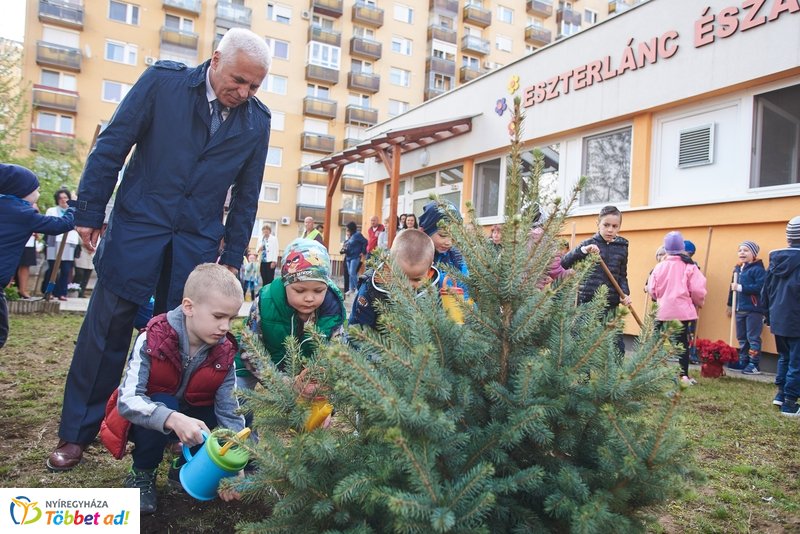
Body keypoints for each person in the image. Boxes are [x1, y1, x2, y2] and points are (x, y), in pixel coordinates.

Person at [48, 28, 273, 471]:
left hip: (195, 247)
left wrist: (228, 260)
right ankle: (77, 433)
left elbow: (247, 194)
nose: (243, 92)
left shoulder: (257, 121)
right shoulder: (163, 83)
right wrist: (89, 210)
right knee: (105, 336)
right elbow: (112, 145)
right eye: (238, 80)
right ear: (214, 60)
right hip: (137, 231)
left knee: (180, 348)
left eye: (254, 86)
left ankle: (167, 436)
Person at [99, 263, 245, 513]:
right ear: (189, 307)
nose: (225, 327)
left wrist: (233, 466)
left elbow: (230, 410)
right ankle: (142, 472)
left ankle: (186, 466)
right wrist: (172, 419)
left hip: (197, 416)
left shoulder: (225, 351)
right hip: (150, 419)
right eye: (219, 317)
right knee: (165, 403)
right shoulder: (153, 338)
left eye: (231, 318)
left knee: (241, 414)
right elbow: (128, 400)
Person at [236, 239, 345, 392]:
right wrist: (282, 382)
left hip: (308, 375)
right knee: (238, 398)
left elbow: (337, 352)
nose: (309, 298)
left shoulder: (332, 309)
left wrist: (320, 379)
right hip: (260, 366)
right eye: (300, 291)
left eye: (318, 291)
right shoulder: (266, 302)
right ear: (285, 283)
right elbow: (249, 349)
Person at [0, 164, 76, 349]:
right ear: (23, 191)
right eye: (37, 189)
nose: (39, 193)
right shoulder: (23, 214)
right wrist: (74, 205)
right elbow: (62, 224)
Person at [561, 205, 631, 356]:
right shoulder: (589, 243)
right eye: (606, 225)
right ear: (598, 224)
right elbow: (565, 263)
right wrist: (583, 251)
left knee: (616, 345)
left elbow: (622, 275)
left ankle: (616, 378)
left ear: (619, 227)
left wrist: (624, 293)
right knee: (582, 342)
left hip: (611, 302)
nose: (610, 230)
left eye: (614, 226)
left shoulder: (622, 246)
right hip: (588, 301)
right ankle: (582, 379)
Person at [647, 231, 707, 385]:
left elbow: (652, 289)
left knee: (656, 341)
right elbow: (698, 289)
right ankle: (683, 376)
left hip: (662, 311)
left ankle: (648, 372)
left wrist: (658, 298)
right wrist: (698, 302)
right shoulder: (689, 266)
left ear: (665, 249)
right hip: (682, 312)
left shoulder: (659, 266)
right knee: (681, 344)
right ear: (682, 248)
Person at [350, 229, 438, 330]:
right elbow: (358, 330)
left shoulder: (435, 286)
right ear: (389, 263)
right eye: (400, 277)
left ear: (429, 268)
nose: (407, 286)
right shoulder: (371, 289)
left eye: (416, 279)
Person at [762, 216, 800, 416]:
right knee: (797, 361)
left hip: (778, 318)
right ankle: (790, 404)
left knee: (785, 357)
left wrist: (768, 315)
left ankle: (780, 394)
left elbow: (765, 291)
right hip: (796, 319)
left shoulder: (776, 261)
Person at [726, 241, 767, 374]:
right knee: (742, 337)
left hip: (753, 309)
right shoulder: (737, 269)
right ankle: (743, 361)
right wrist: (730, 304)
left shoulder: (758, 270)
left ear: (753, 254)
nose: (742, 253)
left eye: (746, 250)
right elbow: (732, 289)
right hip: (739, 309)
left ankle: (754, 364)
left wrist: (741, 288)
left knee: (753, 337)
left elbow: (761, 288)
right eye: (740, 250)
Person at [418, 200, 469, 294]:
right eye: (442, 235)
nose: (449, 242)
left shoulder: (458, 258)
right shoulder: (415, 259)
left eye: (454, 236)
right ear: (425, 232)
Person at [41, 189, 80, 301]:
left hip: (69, 242)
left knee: (66, 269)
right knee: (53, 268)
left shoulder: (74, 211)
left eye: (65, 197)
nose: (63, 200)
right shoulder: (52, 211)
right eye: (60, 198)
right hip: (54, 241)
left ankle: (61, 293)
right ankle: (48, 291)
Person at [343, 222, 367, 296]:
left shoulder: (357, 235)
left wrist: (363, 251)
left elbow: (365, 241)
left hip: (355, 256)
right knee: (350, 273)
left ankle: (357, 288)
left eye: (347, 228)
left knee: (352, 272)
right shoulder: (350, 236)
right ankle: (351, 289)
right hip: (348, 257)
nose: (346, 229)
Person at [15, 230, 38, 299]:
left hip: (29, 241)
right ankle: (7, 290)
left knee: (25, 265)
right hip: (14, 239)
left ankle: (23, 290)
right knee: (11, 265)